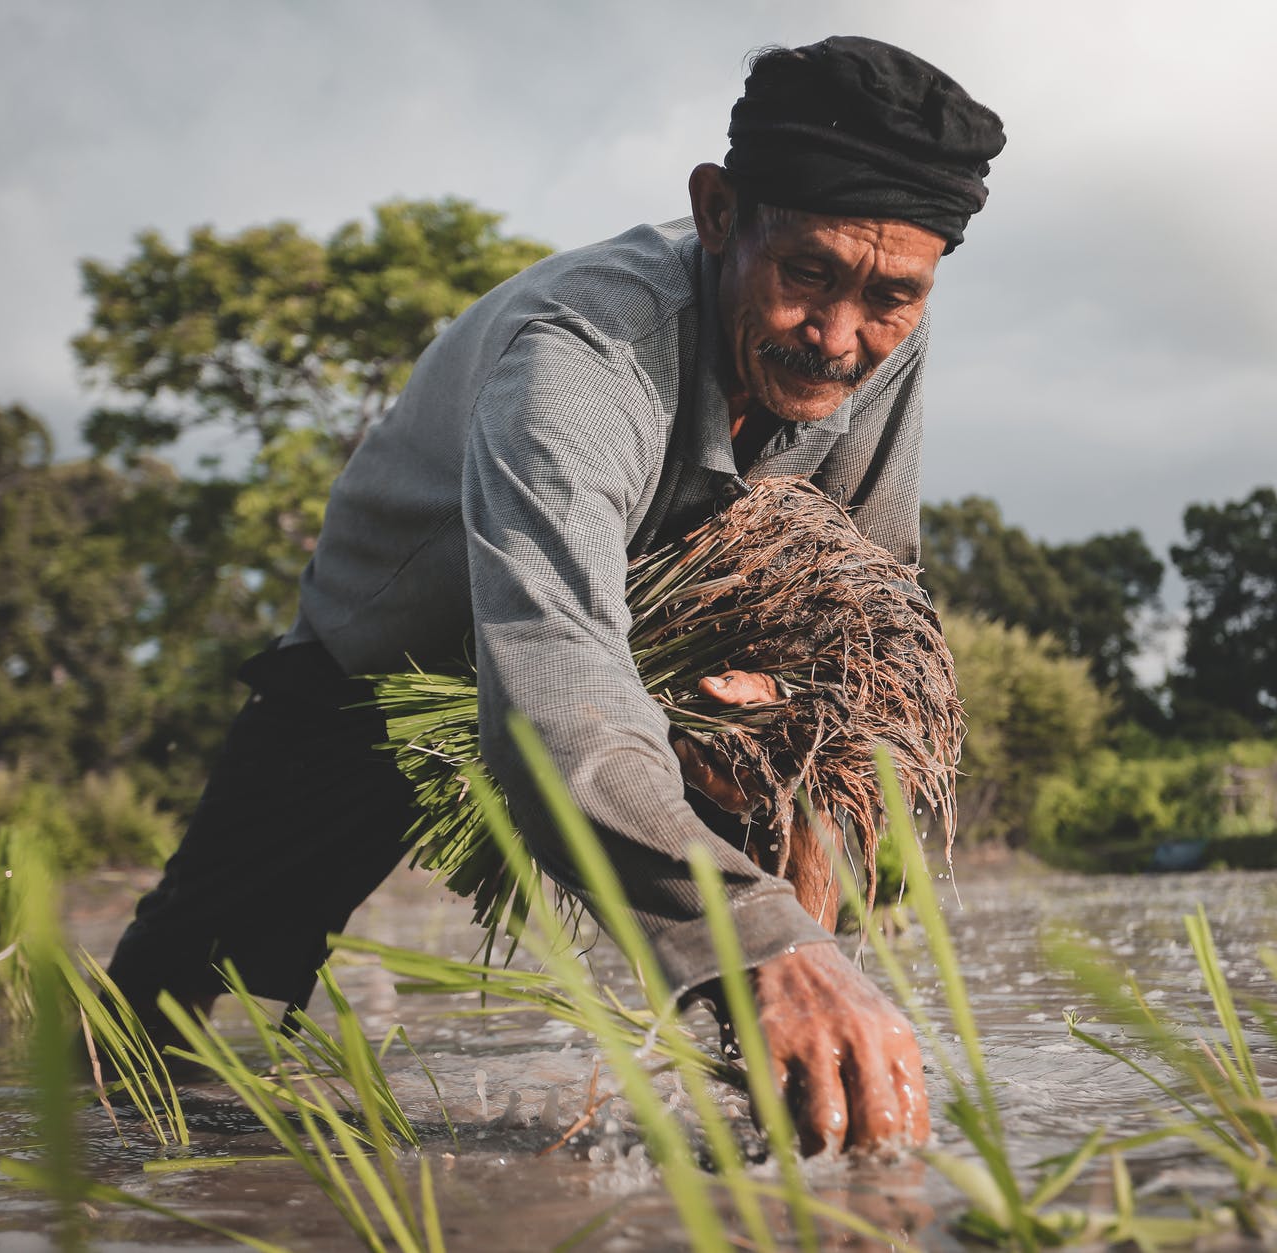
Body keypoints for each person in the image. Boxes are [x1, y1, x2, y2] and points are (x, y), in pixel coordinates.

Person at [105, 35, 1004, 1156]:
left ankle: (785, 1134)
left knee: (795, 798)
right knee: (183, 997)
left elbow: (869, 604)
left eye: (890, 295)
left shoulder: (880, 339)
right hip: (394, 660)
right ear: (719, 212)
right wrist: (756, 937)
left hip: (660, 647)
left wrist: (790, 715)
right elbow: (558, 696)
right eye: (807, 274)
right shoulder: (582, 358)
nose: (837, 339)